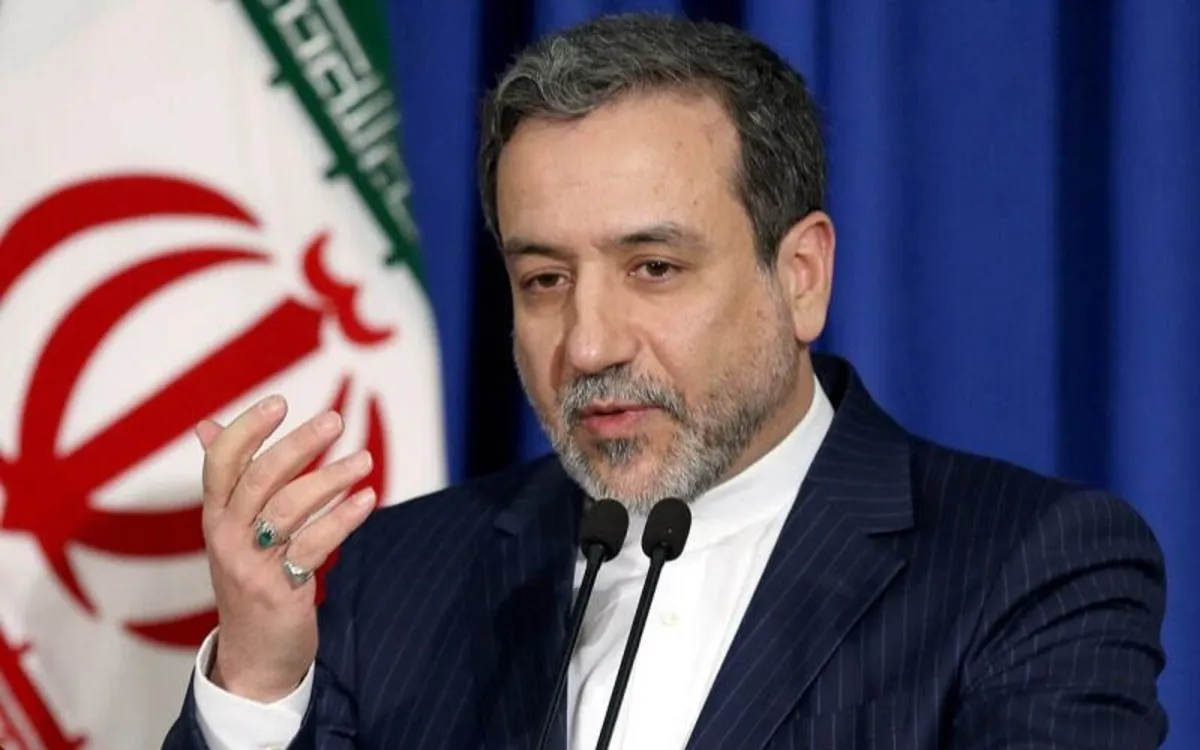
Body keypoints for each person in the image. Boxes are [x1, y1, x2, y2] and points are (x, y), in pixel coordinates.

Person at [162, 13, 1168, 750]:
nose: (590, 344)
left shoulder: (1027, 566)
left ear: (801, 277)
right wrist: (259, 674)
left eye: (653, 268)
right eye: (544, 280)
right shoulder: (402, 575)